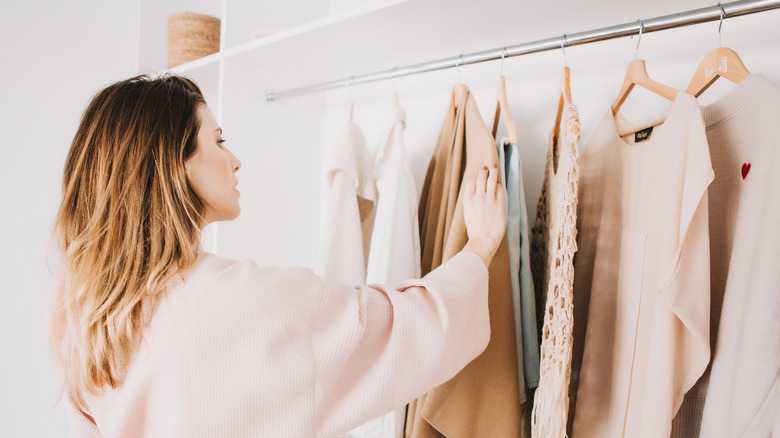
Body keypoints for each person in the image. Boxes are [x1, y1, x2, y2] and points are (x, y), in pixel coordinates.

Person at [49, 74, 506, 437]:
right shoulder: (260, 302)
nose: (235, 159)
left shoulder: (92, 321)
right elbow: (406, 328)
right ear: (175, 164)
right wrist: (480, 246)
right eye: (219, 140)